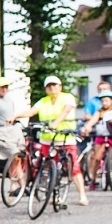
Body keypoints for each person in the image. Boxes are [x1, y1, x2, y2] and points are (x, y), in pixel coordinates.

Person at [12, 76, 86, 206]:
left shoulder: (67, 97)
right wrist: (15, 116)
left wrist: (56, 123)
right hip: (47, 139)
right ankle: (49, 190)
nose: (52, 88)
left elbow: (66, 110)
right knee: (46, 166)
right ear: (46, 89)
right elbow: (31, 112)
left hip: (65, 139)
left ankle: (82, 195)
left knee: (73, 167)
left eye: (55, 85)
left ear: (60, 87)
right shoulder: (43, 101)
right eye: (49, 86)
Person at [80, 90, 112, 183]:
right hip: (101, 137)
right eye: (102, 101)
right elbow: (92, 121)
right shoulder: (99, 112)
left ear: (111, 101)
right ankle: (93, 178)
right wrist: (87, 127)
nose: (104, 103)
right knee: (96, 158)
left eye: (106, 101)